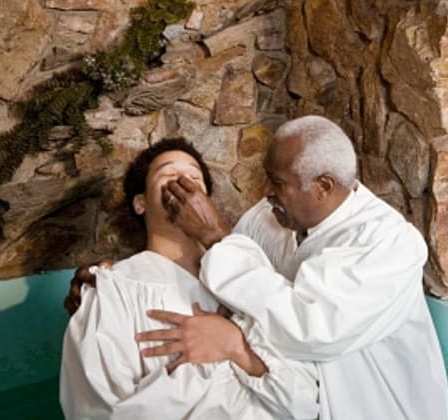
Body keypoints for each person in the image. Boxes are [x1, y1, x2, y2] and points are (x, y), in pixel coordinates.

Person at [136, 115, 448, 419]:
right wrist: (105, 278)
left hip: (378, 407)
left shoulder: (387, 244)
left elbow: (310, 329)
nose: (266, 191)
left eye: (277, 182)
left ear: (323, 186)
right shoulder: (268, 217)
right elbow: (230, 287)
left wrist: (214, 235)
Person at [59, 137, 319, 419]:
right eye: (168, 174)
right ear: (140, 203)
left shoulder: (248, 277)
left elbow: (304, 401)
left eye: (194, 176)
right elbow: (99, 410)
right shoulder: (112, 290)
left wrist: (236, 347)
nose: (183, 181)